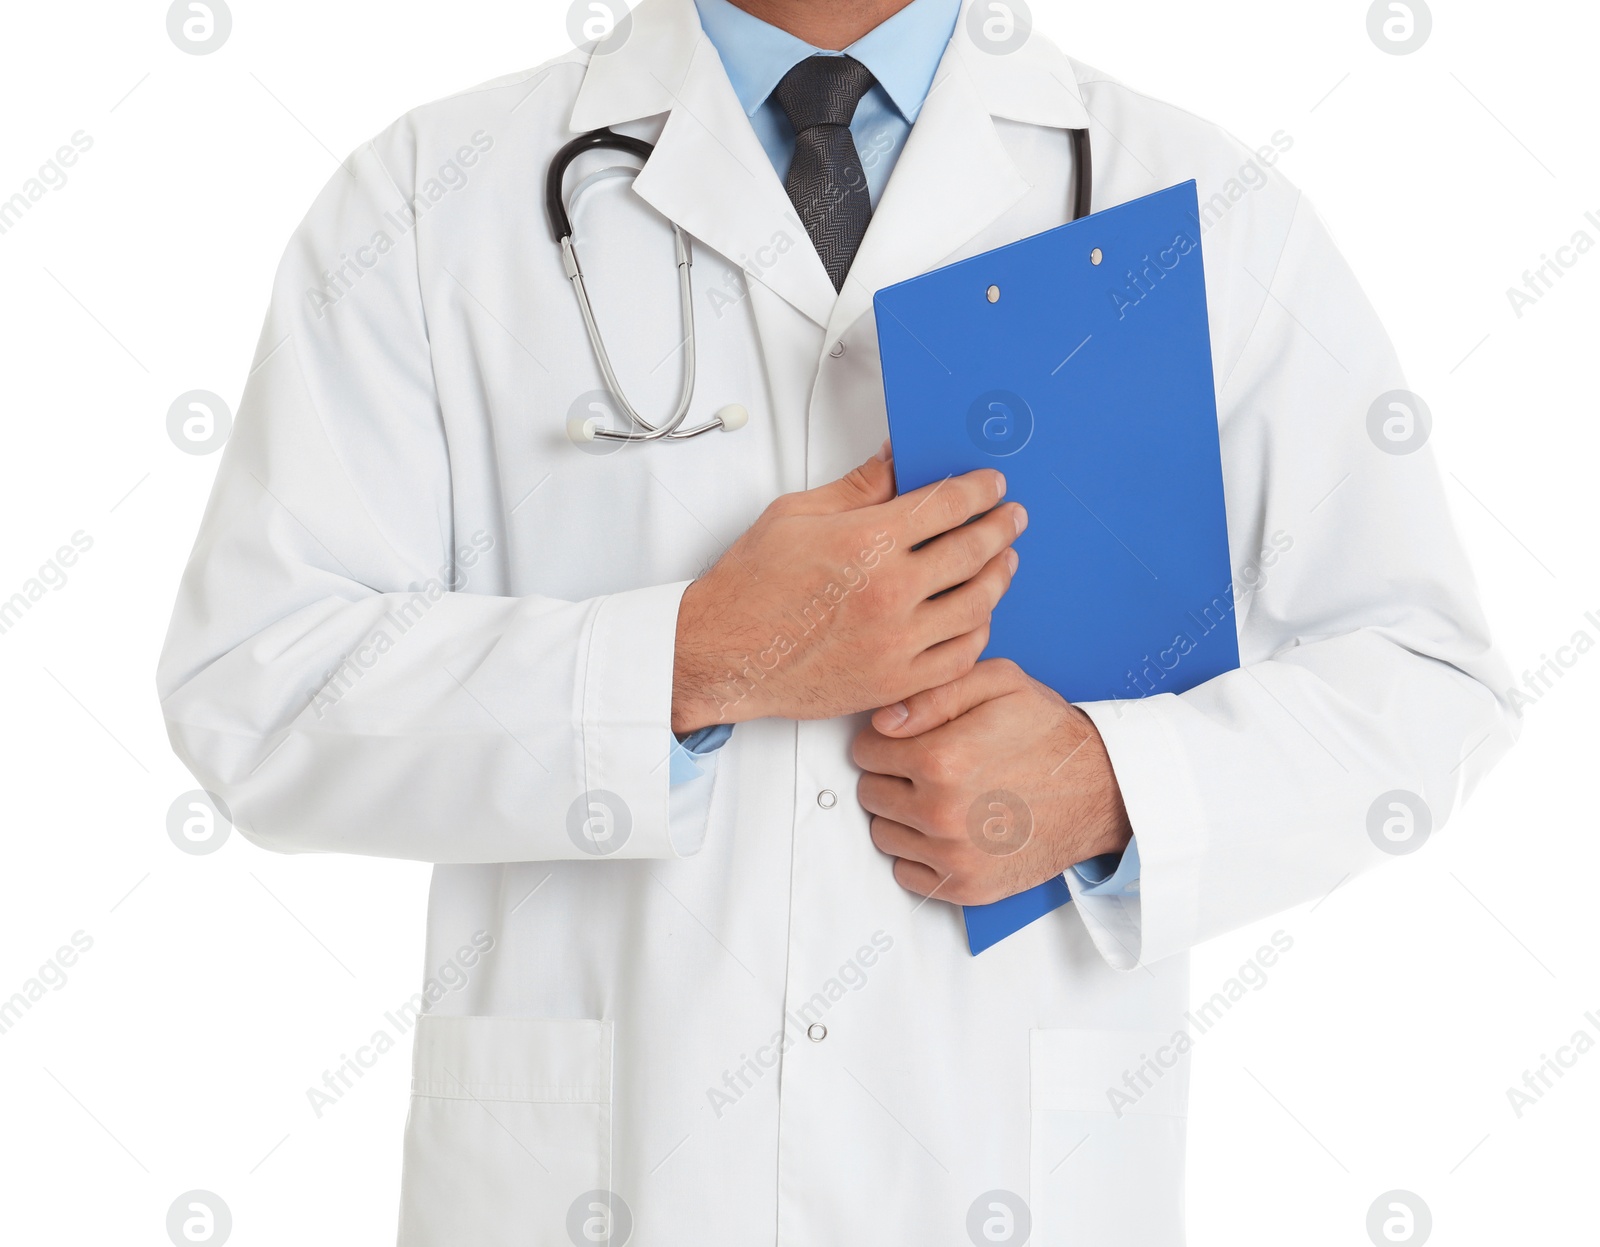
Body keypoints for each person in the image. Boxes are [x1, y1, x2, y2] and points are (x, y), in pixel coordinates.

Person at [156, 0, 1517, 1242]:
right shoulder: (428, 199)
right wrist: (691, 661)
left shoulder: (1198, 202)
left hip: (1005, 1171)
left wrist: (1114, 786)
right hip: (605, 1181)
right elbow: (252, 689)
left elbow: (1427, 674)